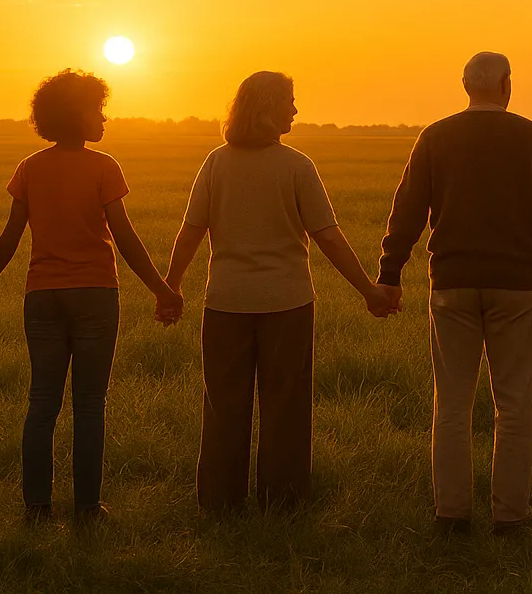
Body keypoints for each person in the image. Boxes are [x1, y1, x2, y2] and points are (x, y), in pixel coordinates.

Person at [163, 72, 392, 512]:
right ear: (268, 107)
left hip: (226, 304)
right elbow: (327, 236)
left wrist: (171, 288)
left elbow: (191, 232)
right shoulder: (296, 166)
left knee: (223, 409)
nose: (295, 109)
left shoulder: (216, 162)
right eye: (289, 101)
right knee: (285, 408)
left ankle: (219, 504)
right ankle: (283, 506)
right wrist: (368, 291)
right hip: (287, 305)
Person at [378, 52, 532, 536]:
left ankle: (452, 515)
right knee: (513, 405)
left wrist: (390, 273)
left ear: (465, 85)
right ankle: (510, 517)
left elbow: (406, 210)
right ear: (507, 85)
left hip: (451, 282)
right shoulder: (531, 137)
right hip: (516, 286)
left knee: (451, 405)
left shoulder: (436, 136)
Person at [0, 70, 184, 523]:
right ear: (75, 114)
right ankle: (87, 508)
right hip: (94, 295)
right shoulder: (104, 167)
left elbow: (12, 235)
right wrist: (163, 290)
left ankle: (36, 509)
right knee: (89, 403)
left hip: (43, 296)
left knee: (42, 401)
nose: (104, 119)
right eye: (97, 109)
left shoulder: (31, 167)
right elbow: (124, 237)